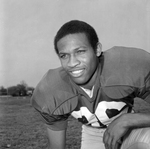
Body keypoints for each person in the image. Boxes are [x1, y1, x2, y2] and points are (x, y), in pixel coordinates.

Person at [31, 20, 150, 149]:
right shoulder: (52, 89)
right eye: (64, 55)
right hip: (92, 134)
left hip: (131, 129)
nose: (72, 63)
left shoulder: (127, 66)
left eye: (80, 51)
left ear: (97, 49)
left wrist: (128, 120)